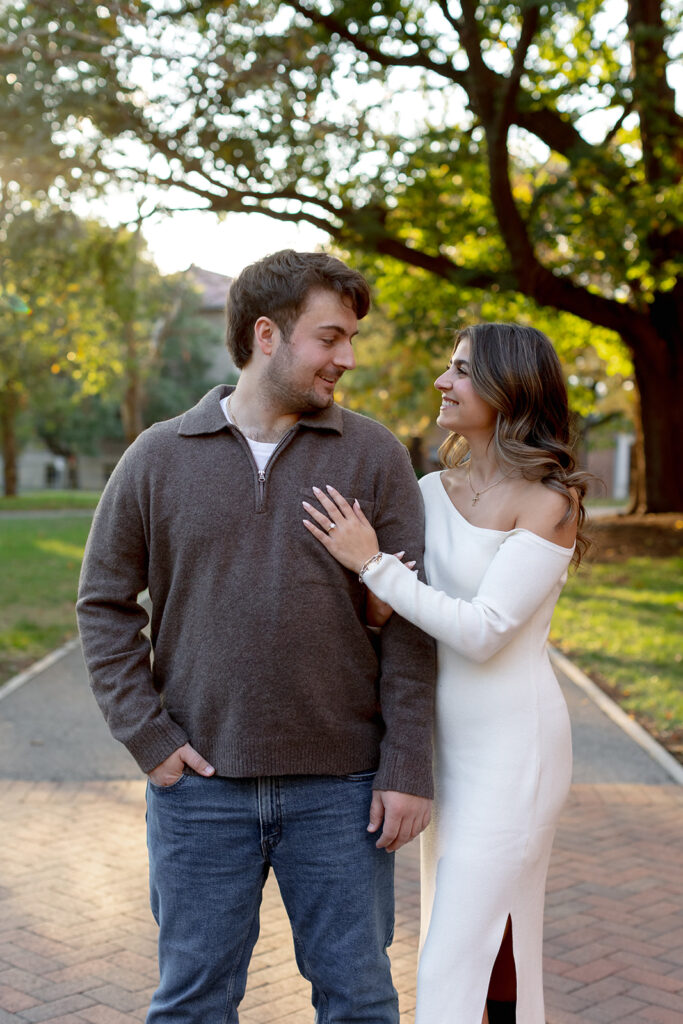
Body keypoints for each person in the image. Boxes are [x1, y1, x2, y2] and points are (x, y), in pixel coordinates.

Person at [76, 249, 436, 1024]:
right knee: (192, 1004)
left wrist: (406, 764)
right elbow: (104, 604)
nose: (346, 358)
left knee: (360, 1001)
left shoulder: (373, 455)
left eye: (349, 341)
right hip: (199, 791)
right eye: (329, 337)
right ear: (266, 335)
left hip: (343, 793)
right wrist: (147, 735)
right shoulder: (156, 458)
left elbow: (410, 619)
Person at [302, 322, 590, 1024]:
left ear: (505, 387)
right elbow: (403, 615)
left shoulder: (550, 502)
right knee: (485, 947)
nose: (442, 381)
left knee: (451, 957)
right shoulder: (429, 489)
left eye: (459, 370)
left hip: (512, 753)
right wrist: (376, 601)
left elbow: (484, 631)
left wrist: (369, 563)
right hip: (443, 750)